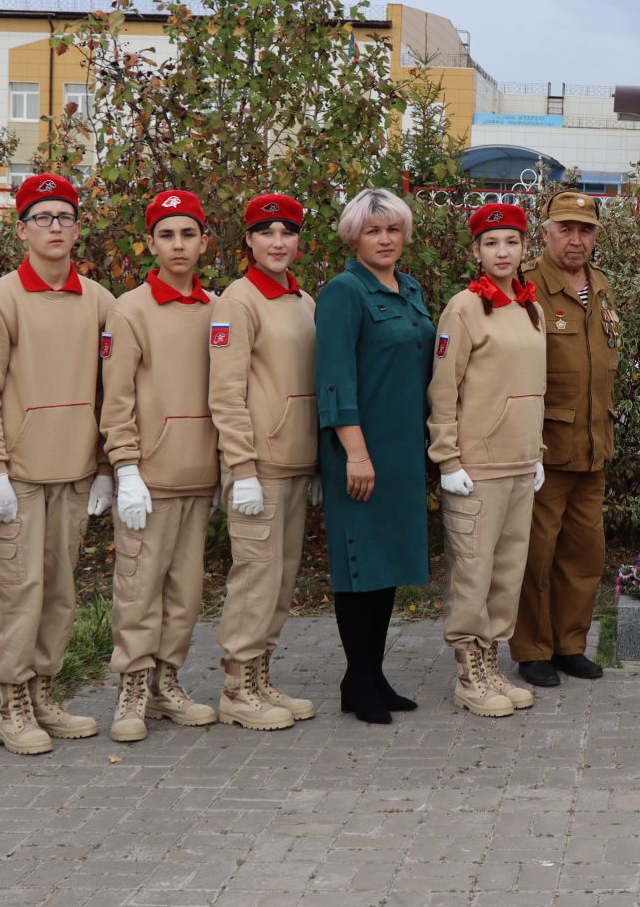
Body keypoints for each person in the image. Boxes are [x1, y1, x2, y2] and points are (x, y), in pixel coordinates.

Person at [0, 174, 116, 755]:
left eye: (65, 217)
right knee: (18, 587)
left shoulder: (99, 300)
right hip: (20, 476)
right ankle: (13, 702)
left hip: (75, 469)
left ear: (78, 228)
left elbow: (113, 392)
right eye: (42, 217)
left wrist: (104, 465)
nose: (55, 227)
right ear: (22, 228)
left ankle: (46, 690)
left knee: (59, 590)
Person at [101, 189, 223, 743]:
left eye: (188, 234)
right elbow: (117, 396)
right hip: (149, 478)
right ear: (150, 243)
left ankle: (166, 681)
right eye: (167, 235)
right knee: (139, 585)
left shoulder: (218, 309)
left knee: (186, 589)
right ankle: (132, 682)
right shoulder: (129, 310)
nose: (178, 245)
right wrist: (125, 466)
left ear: (204, 243)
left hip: (200, 473)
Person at [316, 188, 433, 724]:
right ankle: (357, 679)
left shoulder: (410, 289)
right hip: (359, 450)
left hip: (404, 449)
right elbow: (335, 378)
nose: (384, 239)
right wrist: (356, 453)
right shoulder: (343, 292)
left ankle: (372, 673)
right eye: (373, 230)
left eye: (392, 230)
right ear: (353, 237)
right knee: (359, 565)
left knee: (386, 565)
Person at [429, 202, 548, 718]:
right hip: (476, 468)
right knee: (473, 573)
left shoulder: (530, 307)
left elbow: (533, 388)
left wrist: (535, 452)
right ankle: (468, 673)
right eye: (492, 243)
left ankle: (491, 661)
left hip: (521, 465)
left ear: (526, 248)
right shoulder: (463, 308)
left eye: (512, 242)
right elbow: (443, 389)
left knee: (507, 572)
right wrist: (447, 459)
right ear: (476, 251)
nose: (503, 252)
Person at [210, 192, 320, 731]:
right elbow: (226, 395)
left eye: (288, 233)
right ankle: (236, 687)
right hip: (260, 466)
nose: (279, 243)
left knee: (281, 579)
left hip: (296, 462)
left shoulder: (304, 301)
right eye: (266, 233)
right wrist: (242, 468)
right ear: (249, 241)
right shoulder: (237, 301)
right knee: (254, 577)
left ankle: (260, 675)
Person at [513, 190, 619, 688]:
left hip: (592, 446)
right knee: (536, 553)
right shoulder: (526, 287)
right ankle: (532, 649)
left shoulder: (599, 286)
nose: (576, 240)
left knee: (584, 553)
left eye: (586, 231)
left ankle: (569, 644)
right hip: (545, 449)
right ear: (547, 231)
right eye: (566, 229)